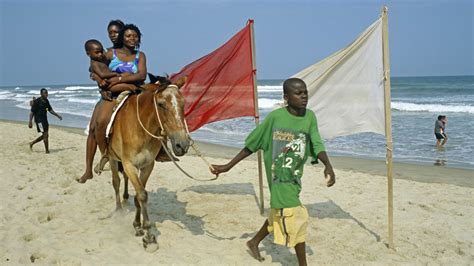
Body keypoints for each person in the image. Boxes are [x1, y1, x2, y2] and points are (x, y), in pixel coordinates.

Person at [210, 78, 336, 266]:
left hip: (294, 175)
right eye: (298, 93)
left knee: (278, 212)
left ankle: (254, 242)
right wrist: (228, 166)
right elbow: (253, 144)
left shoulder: (309, 117)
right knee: (296, 217)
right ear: (286, 97)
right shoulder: (275, 118)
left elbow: (316, 142)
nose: (303, 96)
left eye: (305, 92)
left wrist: (328, 164)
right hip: (278, 177)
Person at [77, 23, 147, 183]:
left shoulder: (140, 55)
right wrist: (100, 81)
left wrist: (118, 78)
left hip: (134, 92)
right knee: (97, 124)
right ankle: (93, 165)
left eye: (134, 36)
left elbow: (142, 75)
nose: (131, 38)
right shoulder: (109, 53)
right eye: (128, 36)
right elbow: (94, 67)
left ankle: (161, 151)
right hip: (112, 94)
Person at [28, 88, 63, 153]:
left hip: (45, 120)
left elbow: (49, 110)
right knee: (45, 135)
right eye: (44, 93)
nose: (46, 94)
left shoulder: (46, 101)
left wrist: (57, 115)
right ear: (41, 94)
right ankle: (47, 151)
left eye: (47, 93)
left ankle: (32, 143)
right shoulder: (37, 101)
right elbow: (32, 112)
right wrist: (30, 121)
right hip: (39, 121)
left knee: (45, 135)